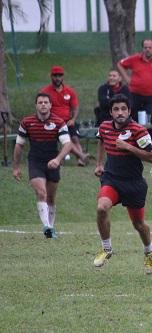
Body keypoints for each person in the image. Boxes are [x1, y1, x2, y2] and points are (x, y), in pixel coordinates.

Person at [92, 94, 152, 274]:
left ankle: (149, 250)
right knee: (101, 208)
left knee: (139, 224)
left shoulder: (139, 131)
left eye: (123, 109)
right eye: (116, 109)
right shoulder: (104, 127)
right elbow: (101, 142)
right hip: (111, 179)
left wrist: (128, 147)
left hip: (133, 183)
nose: (120, 113)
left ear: (129, 111)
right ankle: (107, 248)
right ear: (111, 112)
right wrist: (99, 163)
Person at [12, 93, 73, 238]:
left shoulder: (59, 122)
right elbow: (19, 145)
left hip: (53, 161)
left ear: (50, 105)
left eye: (46, 102)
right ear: (36, 105)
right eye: (40, 102)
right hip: (35, 162)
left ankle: (51, 228)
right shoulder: (27, 122)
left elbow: (68, 144)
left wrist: (58, 159)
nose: (43, 104)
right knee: (41, 193)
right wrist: (15, 167)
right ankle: (46, 226)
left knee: (51, 198)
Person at [40, 65, 89, 166]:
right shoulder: (45, 92)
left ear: (63, 77)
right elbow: (41, 107)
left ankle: (80, 160)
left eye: (60, 75)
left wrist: (73, 119)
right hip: (53, 123)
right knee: (67, 140)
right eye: (55, 76)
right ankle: (82, 156)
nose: (57, 78)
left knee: (75, 138)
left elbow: (75, 107)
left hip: (67, 121)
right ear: (51, 76)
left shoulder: (69, 91)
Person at [117, 39, 152, 139]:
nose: (147, 50)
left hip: (151, 96)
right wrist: (127, 79)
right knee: (132, 119)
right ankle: (134, 140)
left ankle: (148, 139)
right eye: (145, 47)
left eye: (150, 47)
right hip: (135, 95)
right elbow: (120, 64)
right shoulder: (135, 59)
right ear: (142, 48)